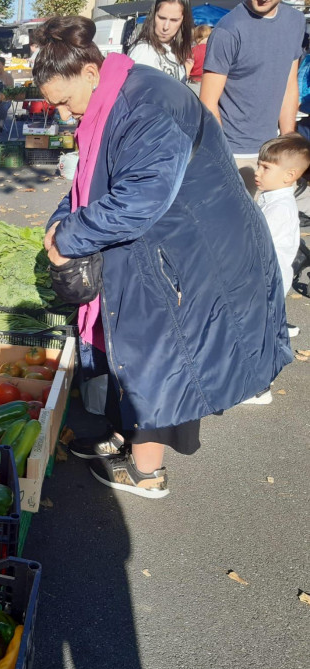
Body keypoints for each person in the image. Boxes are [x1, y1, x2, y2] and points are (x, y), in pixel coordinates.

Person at [34, 16, 291, 498]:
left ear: (90, 73)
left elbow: (139, 199)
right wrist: (60, 218)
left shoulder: (148, 102)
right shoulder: (113, 94)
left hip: (194, 252)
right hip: (168, 241)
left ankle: (147, 472)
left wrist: (70, 237)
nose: (65, 115)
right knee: (125, 340)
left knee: (156, 349)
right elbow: (93, 182)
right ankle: (121, 437)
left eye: (65, 102)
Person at [200, 0, 304, 196]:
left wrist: (288, 142)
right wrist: (222, 155)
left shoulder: (295, 21)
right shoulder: (228, 29)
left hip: (274, 153)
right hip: (235, 154)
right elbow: (208, 102)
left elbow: (289, 84)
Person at [255, 134, 309, 342]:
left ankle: (275, 334)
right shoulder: (272, 197)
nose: (257, 173)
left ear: (289, 176)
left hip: (268, 276)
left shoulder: (280, 208)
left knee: (261, 314)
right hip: (267, 273)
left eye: (265, 168)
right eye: (259, 166)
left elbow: (258, 243)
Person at [127, 0, 194, 82]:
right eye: (162, 18)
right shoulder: (145, 51)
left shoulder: (173, 49)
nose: (166, 27)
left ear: (183, 21)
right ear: (153, 15)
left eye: (174, 20)